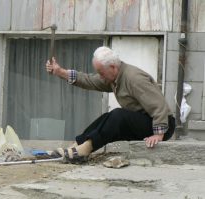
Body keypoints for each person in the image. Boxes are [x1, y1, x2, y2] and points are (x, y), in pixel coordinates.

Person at [45, 46, 175, 164]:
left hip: (161, 125)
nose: (101, 77)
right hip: (143, 121)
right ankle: (75, 146)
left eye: (101, 73)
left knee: (118, 115)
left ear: (113, 67)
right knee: (107, 117)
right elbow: (89, 80)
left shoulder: (134, 78)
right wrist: (60, 72)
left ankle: (84, 150)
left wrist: (159, 134)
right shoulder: (113, 77)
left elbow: (159, 105)